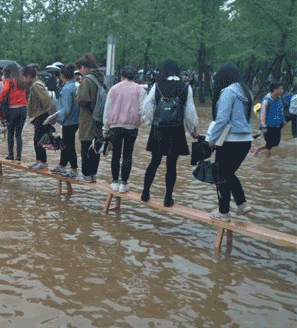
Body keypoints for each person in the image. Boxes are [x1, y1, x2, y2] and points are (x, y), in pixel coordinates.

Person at [140, 58, 199, 207]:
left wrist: (152, 121)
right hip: (176, 129)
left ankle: (145, 192)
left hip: (159, 129)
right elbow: (189, 111)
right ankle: (168, 198)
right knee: (171, 165)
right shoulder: (186, 87)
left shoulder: (157, 86)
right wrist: (192, 130)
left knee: (154, 162)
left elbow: (147, 106)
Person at [206, 63, 254, 222]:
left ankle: (224, 212)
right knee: (227, 173)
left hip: (230, 141)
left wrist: (211, 139)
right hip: (246, 141)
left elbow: (222, 120)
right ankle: (241, 204)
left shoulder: (228, 92)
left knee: (221, 175)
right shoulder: (247, 92)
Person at [103, 66, 146, 193]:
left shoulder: (113, 89)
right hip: (131, 127)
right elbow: (143, 110)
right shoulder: (140, 90)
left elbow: (107, 110)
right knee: (128, 155)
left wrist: (105, 128)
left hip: (115, 127)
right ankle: (124, 184)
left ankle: (114, 182)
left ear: (121, 76)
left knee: (115, 155)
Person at [45, 64, 80, 179]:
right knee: (65, 144)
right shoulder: (76, 85)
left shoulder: (66, 89)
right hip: (76, 120)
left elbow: (65, 109)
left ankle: (74, 170)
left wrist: (54, 118)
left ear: (62, 75)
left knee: (69, 146)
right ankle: (62, 165)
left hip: (68, 121)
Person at [75, 53, 105, 183]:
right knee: (95, 147)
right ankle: (92, 174)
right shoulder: (99, 79)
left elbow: (83, 99)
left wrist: (76, 97)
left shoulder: (87, 80)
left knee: (86, 146)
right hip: (98, 117)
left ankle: (86, 174)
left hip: (88, 118)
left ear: (83, 67)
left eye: (79, 68)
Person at [23, 65, 53, 170]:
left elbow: (47, 101)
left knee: (39, 140)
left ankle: (43, 162)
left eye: (24, 77)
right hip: (39, 115)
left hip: (42, 115)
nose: (24, 79)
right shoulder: (35, 85)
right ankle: (38, 160)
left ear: (29, 76)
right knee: (36, 139)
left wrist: (46, 115)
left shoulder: (37, 85)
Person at [0, 63, 28, 161]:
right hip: (23, 109)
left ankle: (11, 155)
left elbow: (3, 92)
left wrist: (0, 102)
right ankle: (18, 156)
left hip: (13, 109)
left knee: (10, 132)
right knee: (18, 134)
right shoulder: (22, 81)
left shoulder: (9, 81)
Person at [253, 83, 286, 157]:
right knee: (269, 143)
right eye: (280, 88)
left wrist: (283, 120)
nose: (282, 90)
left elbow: (281, 110)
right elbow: (262, 114)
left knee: (275, 143)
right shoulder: (266, 100)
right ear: (275, 90)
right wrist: (263, 126)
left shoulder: (280, 98)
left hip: (277, 124)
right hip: (268, 125)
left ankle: (257, 149)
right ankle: (267, 160)